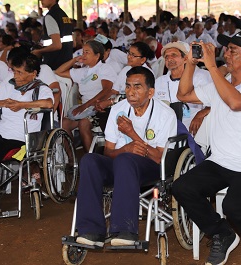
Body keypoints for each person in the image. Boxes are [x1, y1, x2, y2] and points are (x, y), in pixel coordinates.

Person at [172, 30, 241, 265]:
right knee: (183, 187)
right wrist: (191, 65)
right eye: (227, 48)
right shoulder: (221, 85)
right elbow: (183, 94)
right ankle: (221, 234)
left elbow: (234, 102)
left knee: (233, 204)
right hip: (223, 161)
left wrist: (212, 67)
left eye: (233, 50)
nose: (226, 53)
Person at [75, 66, 177, 247]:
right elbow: (108, 152)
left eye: (137, 87)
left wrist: (132, 134)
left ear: (150, 92)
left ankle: (124, 230)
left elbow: (159, 158)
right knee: (89, 160)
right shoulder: (118, 110)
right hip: (120, 163)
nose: (131, 92)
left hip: (150, 168)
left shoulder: (165, 114)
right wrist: (127, 149)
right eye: (128, 86)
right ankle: (91, 230)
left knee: (125, 160)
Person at [0, 53, 54, 223]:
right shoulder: (8, 85)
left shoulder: (41, 88)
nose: (15, 76)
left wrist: (22, 105)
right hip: (1, 133)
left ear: (33, 74)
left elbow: (48, 103)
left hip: (23, 138)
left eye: (20, 73)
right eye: (14, 72)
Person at [55, 40, 117, 152]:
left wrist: (85, 106)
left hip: (100, 109)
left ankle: (91, 160)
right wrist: (75, 59)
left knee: (84, 123)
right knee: (63, 124)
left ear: (97, 55)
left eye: (87, 52)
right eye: (83, 52)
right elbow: (59, 72)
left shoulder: (104, 68)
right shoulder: (82, 71)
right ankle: (72, 160)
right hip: (85, 110)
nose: (83, 55)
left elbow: (107, 90)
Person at [154, 41, 212, 134]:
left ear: (185, 58)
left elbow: (215, 103)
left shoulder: (202, 76)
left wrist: (200, 114)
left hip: (194, 129)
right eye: (166, 57)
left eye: (174, 55)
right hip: (166, 130)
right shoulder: (159, 82)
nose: (169, 59)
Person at [32, 0, 73, 70]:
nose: (41, 0)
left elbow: (57, 45)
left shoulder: (50, 16)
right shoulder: (64, 15)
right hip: (67, 64)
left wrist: (39, 51)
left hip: (54, 65)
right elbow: (73, 43)